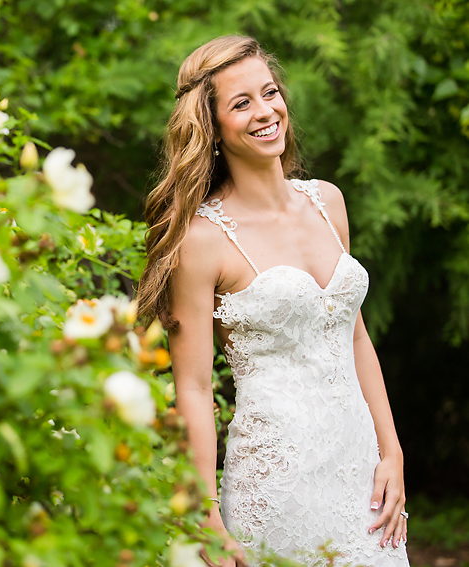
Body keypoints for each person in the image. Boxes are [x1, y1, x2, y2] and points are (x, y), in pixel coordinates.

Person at [136, 36, 410, 567]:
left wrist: (392, 451)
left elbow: (353, 334)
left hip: (363, 478)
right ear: (211, 127)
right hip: (276, 483)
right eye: (241, 103)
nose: (265, 112)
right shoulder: (201, 241)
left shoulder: (328, 202)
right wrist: (204, 511)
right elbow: (191, 386)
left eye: (269, 93)